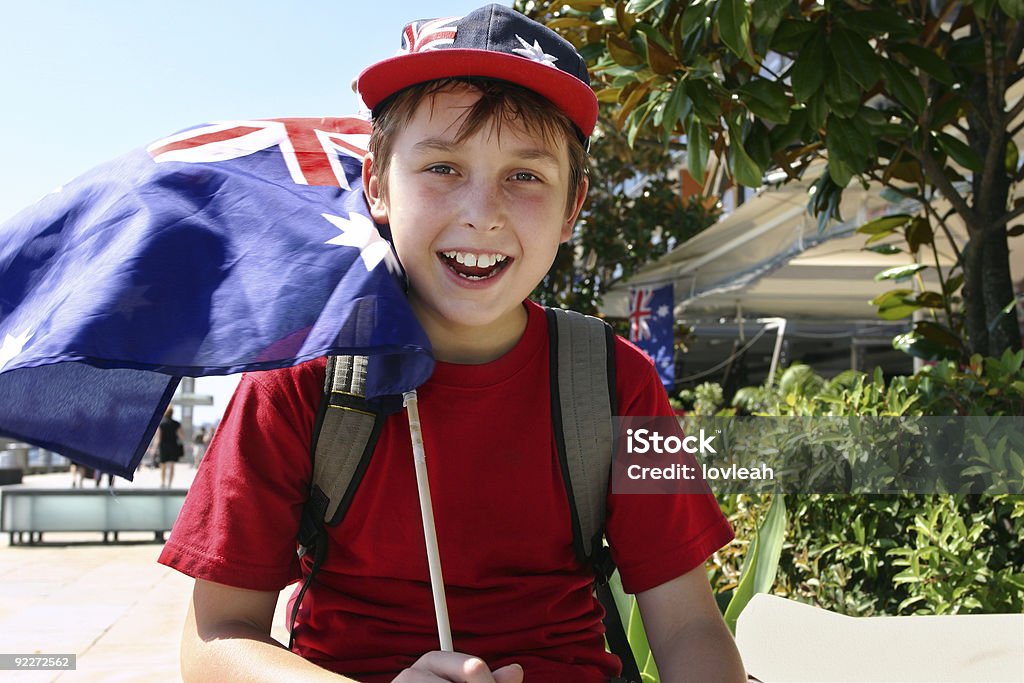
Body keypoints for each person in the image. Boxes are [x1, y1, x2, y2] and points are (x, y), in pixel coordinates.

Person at [158, 5, 745, 682]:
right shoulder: (295, 377)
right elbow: (212, 639)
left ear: (572, 208)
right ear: (378, 185)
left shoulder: (621, 380)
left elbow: (690, 624)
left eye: (525, 176)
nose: (482, 211)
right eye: (442, 167)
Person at [157, 406, 182, 488]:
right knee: (171, 465)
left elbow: (159, 437)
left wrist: (154, 448)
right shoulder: (176, 424)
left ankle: (162, 482)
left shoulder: (161, 424)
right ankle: (169, 484)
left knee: (163, 465)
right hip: (173, 445)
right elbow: (181, 435)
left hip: (163, 446)